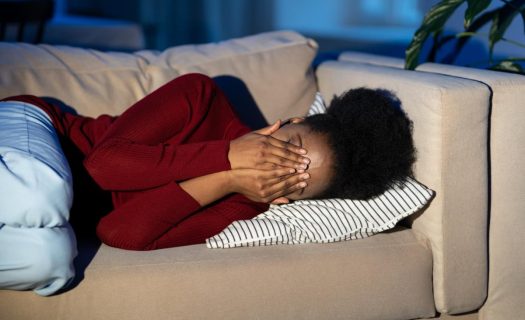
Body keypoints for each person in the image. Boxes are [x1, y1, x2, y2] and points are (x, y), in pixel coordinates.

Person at [0, 73, 415, 294]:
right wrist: (229, 152)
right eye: (288, 148)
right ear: (285, 124)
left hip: (52, 219)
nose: (276, 167)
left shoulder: (239, 206)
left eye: (294, 179)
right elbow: (103, 166)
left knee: (49, 261)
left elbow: (116, 232)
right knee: (42, 195)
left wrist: (226, 178)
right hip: (38, 135)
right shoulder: (202, 96)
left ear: (288, 200)